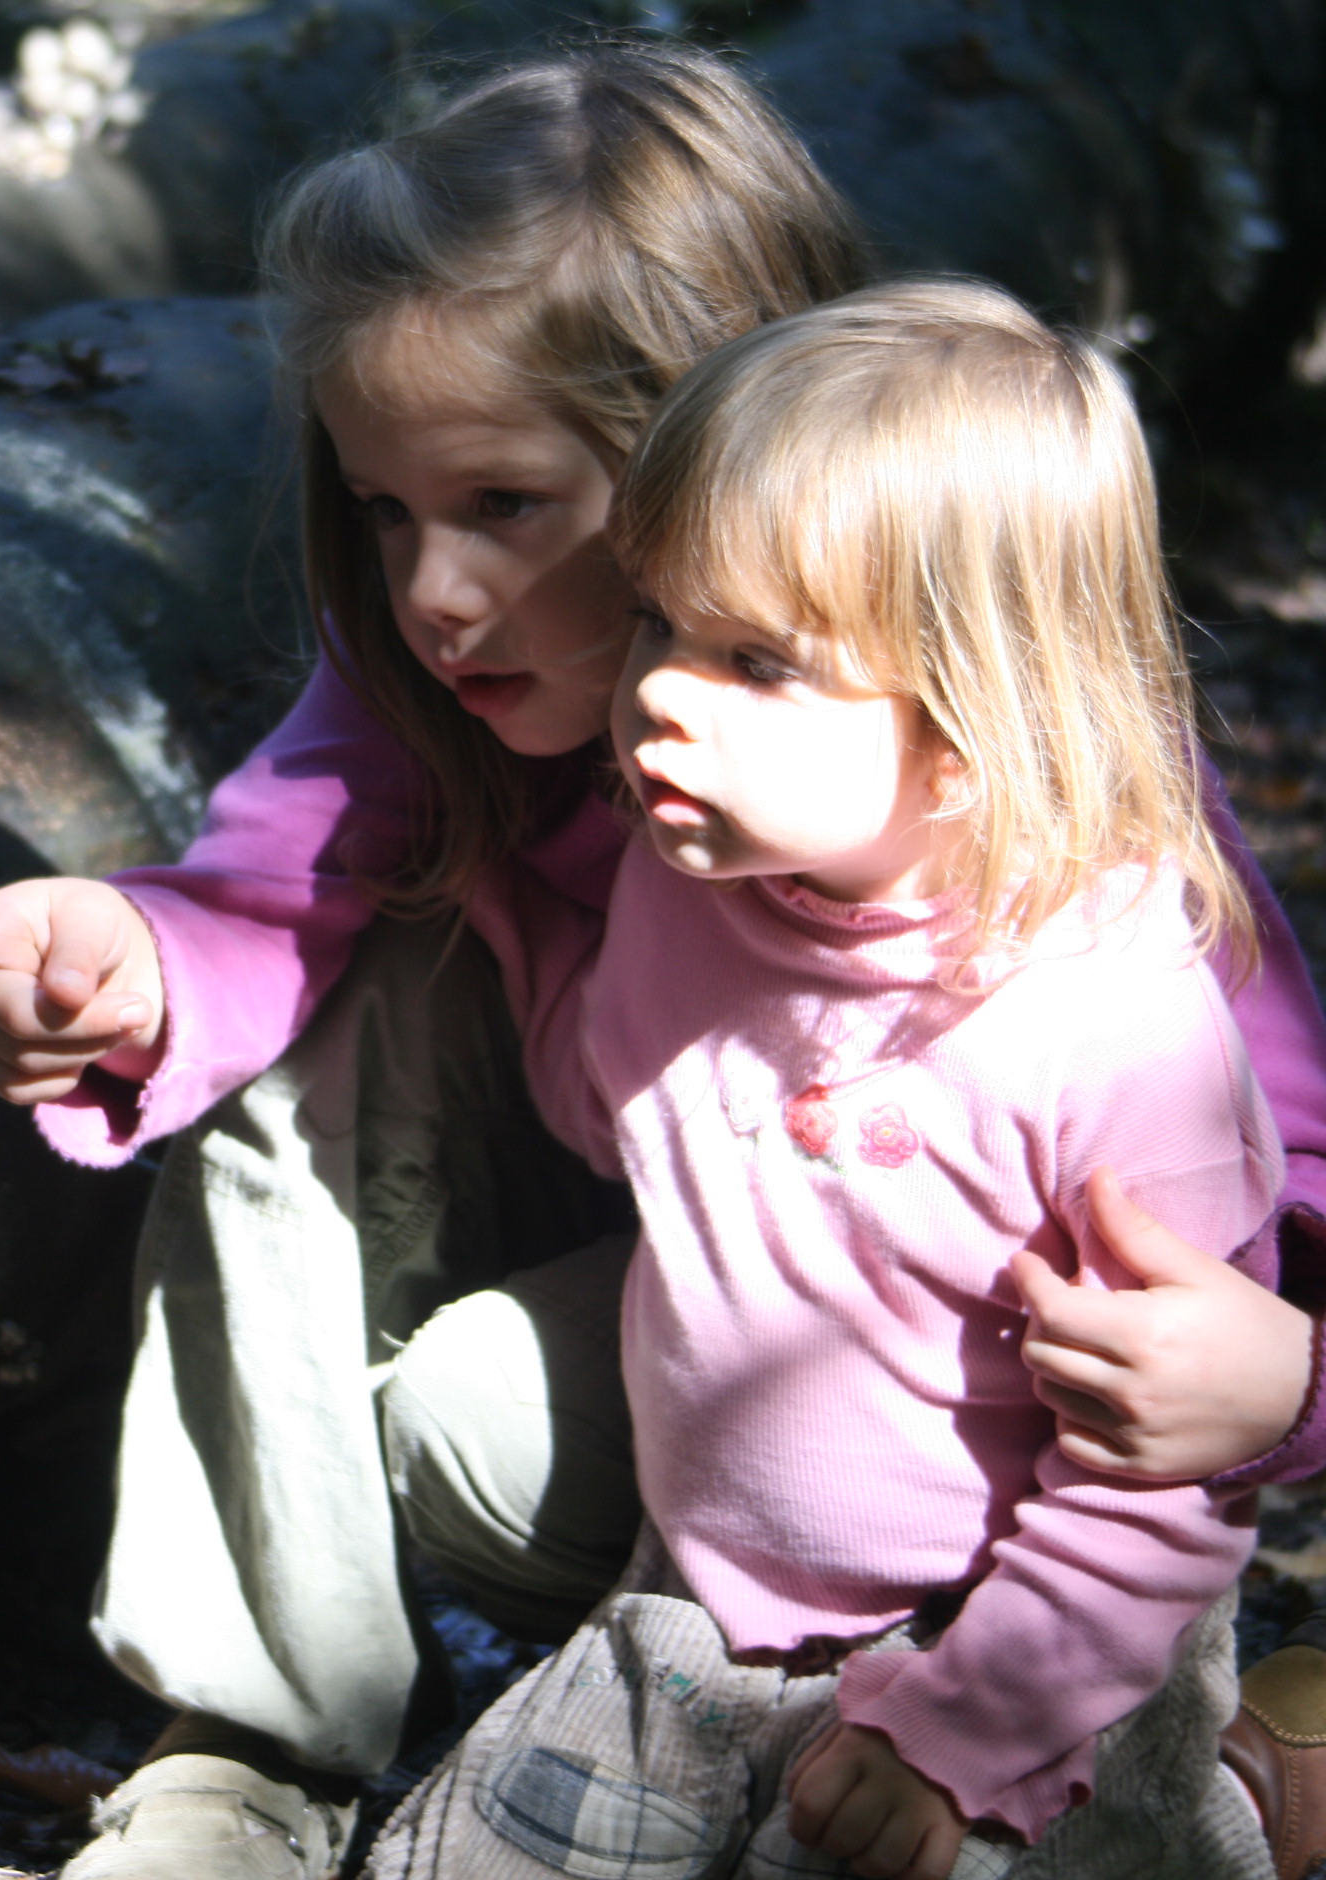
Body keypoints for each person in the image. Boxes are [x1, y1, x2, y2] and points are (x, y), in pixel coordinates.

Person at [0, 41, 1326, 1880]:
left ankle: (1236, 1767)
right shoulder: (438, 692)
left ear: (710, 453)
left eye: (505, 504)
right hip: (699, 1325)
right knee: (352, 1012)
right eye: (386, 511)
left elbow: (1264, 1175)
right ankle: (260, 1732)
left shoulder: (1055, 804)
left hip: (1010, 1425)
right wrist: (127, 961)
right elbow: (268, 889)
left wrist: (1289, 1383)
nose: (431, 593)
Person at [365, 277, 1273, 1880]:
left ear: (974, 728)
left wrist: (966, 1736)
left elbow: (1162, 1488)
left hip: (1016, 1645)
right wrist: (491, 895)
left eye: (759, 662)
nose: (659, 689)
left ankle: (1251, 1785)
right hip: (696, 1601)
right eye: (658, 621)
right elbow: (619, 1112)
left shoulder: (1112, 1022)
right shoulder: (689, 887)